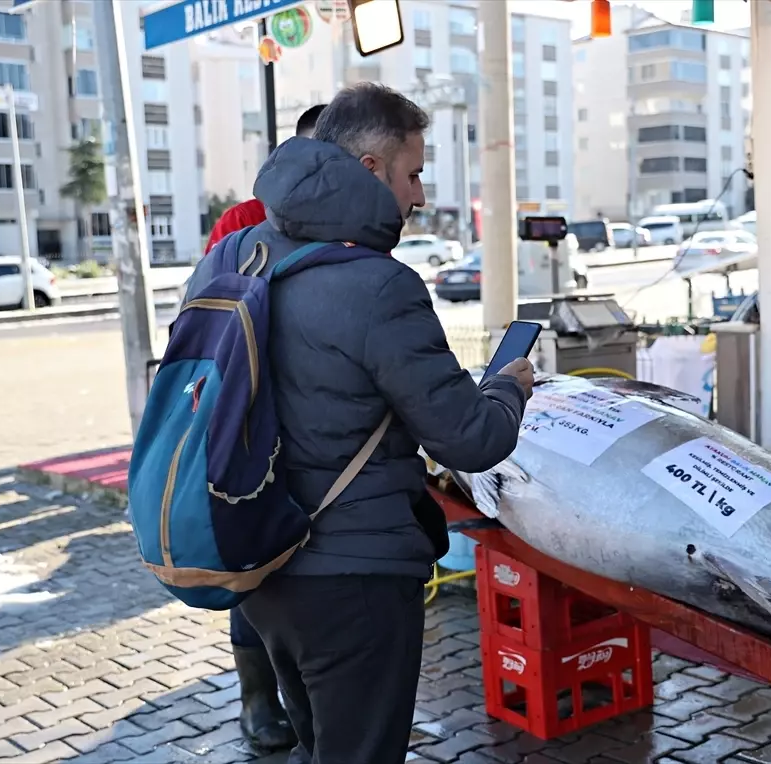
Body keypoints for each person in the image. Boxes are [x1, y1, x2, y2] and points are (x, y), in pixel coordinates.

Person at [182, 82, 533, 764]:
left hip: (259, 565)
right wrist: (506, 388)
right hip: (353, 583)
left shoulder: (236, 254)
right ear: (370, 169)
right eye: (414, 173)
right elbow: (471, 437)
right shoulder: (379, 284)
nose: (421, 195)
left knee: (320, 748)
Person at [194, 104, 326, 754]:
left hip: (326, 442)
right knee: (257, 570)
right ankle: (257, 699)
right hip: (252, 435)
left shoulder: (358, 228)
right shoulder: (240, 227)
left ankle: (311, 707)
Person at [204, 104, 326, 254]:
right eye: (316, 156)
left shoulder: (357, 227)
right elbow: (210, 276)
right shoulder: (242, 221)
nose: (325, 168)